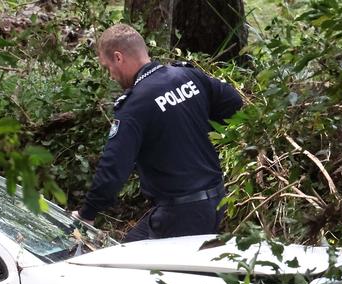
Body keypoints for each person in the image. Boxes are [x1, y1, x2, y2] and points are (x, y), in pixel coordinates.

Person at [72, 23, 243, 242]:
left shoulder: (134, 106)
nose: (111, 75)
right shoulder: (188, 76)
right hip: (216, 199)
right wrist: (199, 130)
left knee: (131, 271)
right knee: (129, 249)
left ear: (118, 58)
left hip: (181, 213)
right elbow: (233, 103)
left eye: (107, 68)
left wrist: (88, 213)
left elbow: (114, 167)